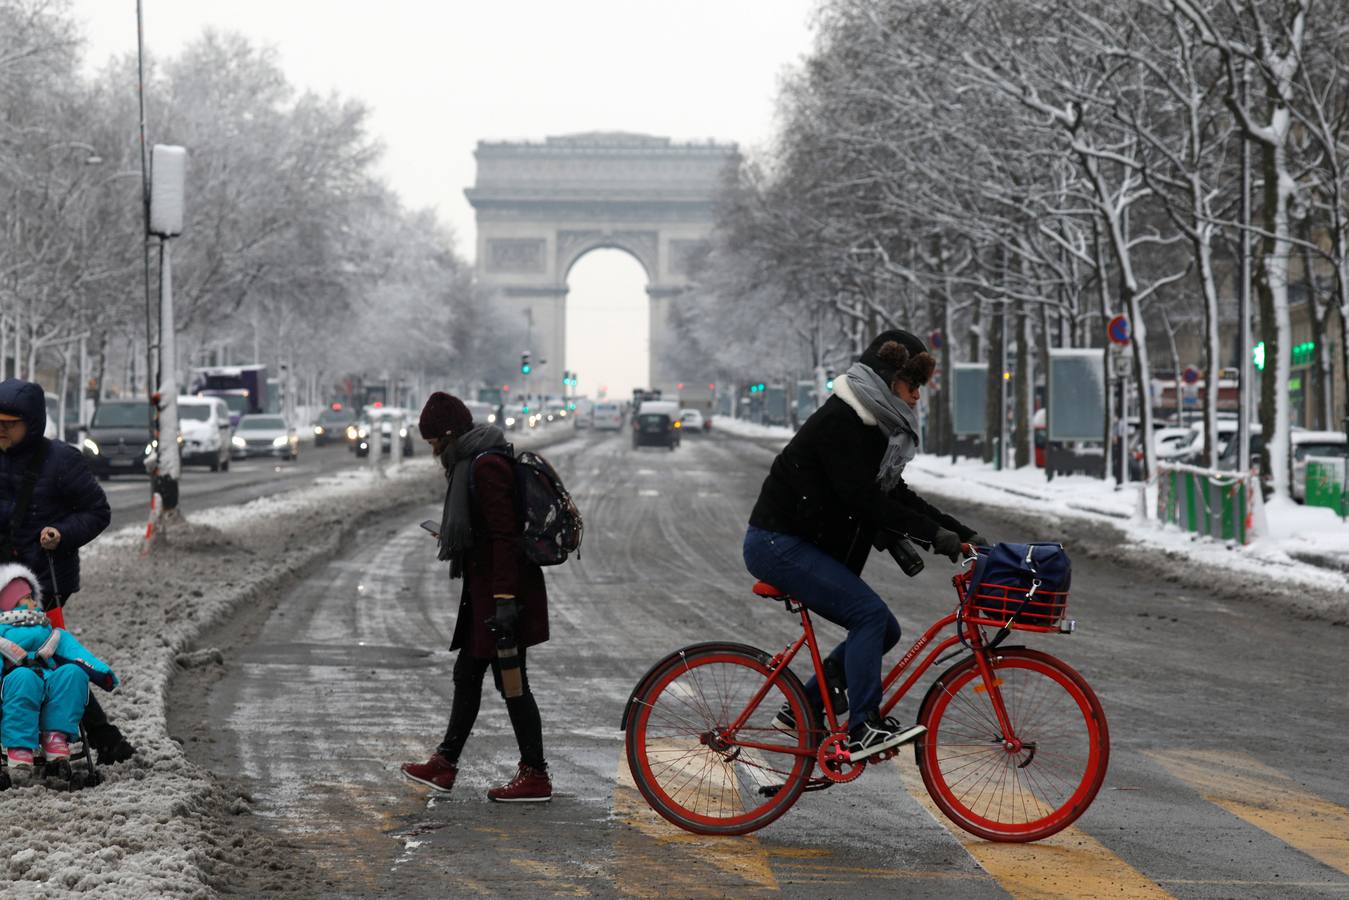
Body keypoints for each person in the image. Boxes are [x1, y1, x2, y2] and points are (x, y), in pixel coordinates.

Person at [742, 331, 990, 761]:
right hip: (776, 543)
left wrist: (959, 532)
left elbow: (896, 494)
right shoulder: (844, 421)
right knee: (869, 617)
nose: (916, 398)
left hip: (797, 543)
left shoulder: (873, 425)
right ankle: (862, 728)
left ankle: (804, 707)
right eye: (912, 387)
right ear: (886, 378)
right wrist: (934, 536)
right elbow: (866, 499)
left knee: (884, 629)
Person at [400, 391, 553, 802]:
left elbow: (505, 537)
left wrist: (505, 601)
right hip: (487, 590)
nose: (433, 450)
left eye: (434, 442)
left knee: (512, 682)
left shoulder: (486, 467)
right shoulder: (473, 461)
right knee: (469, 675)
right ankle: (445, 763)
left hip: (504, 594)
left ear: (449, 435)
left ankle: (535, 774)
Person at [0, 378, 135, 765]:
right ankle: (28, 736)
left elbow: (97, 512)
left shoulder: (62, 461)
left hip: (46, 582)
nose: (2, 429)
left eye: (11, 422)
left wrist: (61, 534)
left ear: (33, 423)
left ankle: (99, 738)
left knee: (50, 658)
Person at [0, 563, 118, 787]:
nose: (35, 602)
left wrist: (103, 674)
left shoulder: (50, 629)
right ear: (11, 602)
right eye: (28, 597)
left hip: (49, 678)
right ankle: (19, 744)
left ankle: (55, 737)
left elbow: (77, 654)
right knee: (24, 679)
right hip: (15, 678)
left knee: (73, 673)